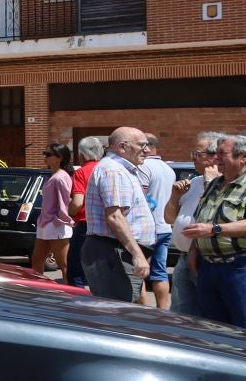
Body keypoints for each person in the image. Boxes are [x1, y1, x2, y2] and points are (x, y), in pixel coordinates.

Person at [182, 133, 246, 336]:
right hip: (208, 267)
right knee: (212, 330)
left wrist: (214, 229)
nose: (216, 158)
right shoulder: (215, 184)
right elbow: (202, 218)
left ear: (243, 156)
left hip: (241, 267)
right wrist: (194, 250)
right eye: (215, 153)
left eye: (222, 153)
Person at [79, 127, 156, 304]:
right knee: (118, 313)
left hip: (116, 251)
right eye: (142, 145)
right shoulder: (113, 171)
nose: (148, 150)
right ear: (123, 147)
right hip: (114, 252)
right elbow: (115, 217)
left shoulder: (120, 169)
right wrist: (137, 254)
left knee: (122, 309)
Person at [164, 132, 222, 317]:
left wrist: (209, 183)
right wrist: (175, 197)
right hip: (184, 257)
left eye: (197, 154)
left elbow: (216, 215)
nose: (193, 159)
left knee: (209, 313)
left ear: (215, 156)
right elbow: (169, 218)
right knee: (181, 314)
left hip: (207, 258)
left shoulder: (222, 183)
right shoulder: (194, 182)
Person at [136, 133, 177, 311]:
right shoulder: (169, 168)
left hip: (146, 229)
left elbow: (140, 197)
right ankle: (162, 310)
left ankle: (144, 312)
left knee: (137, 272)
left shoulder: (143, 167)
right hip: (165, 226)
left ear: (146, 146)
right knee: (160, 271)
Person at [66, 136, 106, 288]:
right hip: (108, 226)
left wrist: (69, 212)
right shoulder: (108, 169)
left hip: (85, 226)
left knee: (76, 272)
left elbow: (77, 202)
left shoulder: (82, 172)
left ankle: (79, 306)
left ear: (82, 155)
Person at [31, 144, 74, 279]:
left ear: (59, 158)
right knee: (37, 260)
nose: (45, 157)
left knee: (63, 264)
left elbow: (64, 202)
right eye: (45, 153)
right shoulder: (55, 176)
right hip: (45, 224)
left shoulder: (60, 177)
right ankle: (38, 290)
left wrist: (59, 220)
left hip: (56, 225)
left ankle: (70, 294)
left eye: (48, 154)